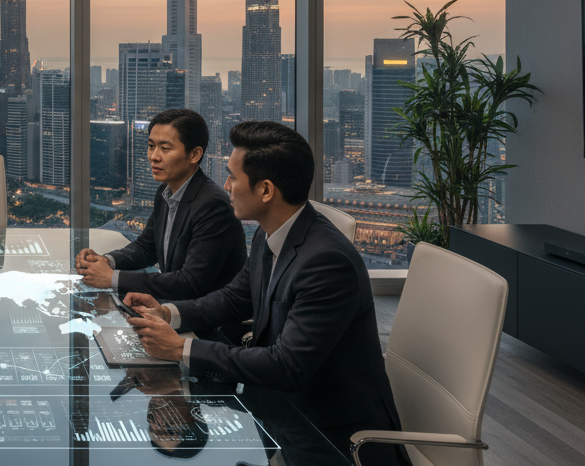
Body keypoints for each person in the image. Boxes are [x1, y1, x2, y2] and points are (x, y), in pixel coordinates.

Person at [124, 121, 409, 466]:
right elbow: (235, 298)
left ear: (266, 190)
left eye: (233, 177)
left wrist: (180, 348)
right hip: (277, 413)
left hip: (333, 439)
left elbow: (287, 366)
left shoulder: (327, 262)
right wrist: (169, 313)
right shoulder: (270, 231)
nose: (226, 186)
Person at [75, 108, 246, 301]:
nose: (154, 156)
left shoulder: (213, 206)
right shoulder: (165, 191)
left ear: (194, 154)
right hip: (170, 307)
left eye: (165, 148)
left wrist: (112, 278)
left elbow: (189, 283)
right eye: (151, 146)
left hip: (204, 315)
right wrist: (106, 261)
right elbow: (148, 247)